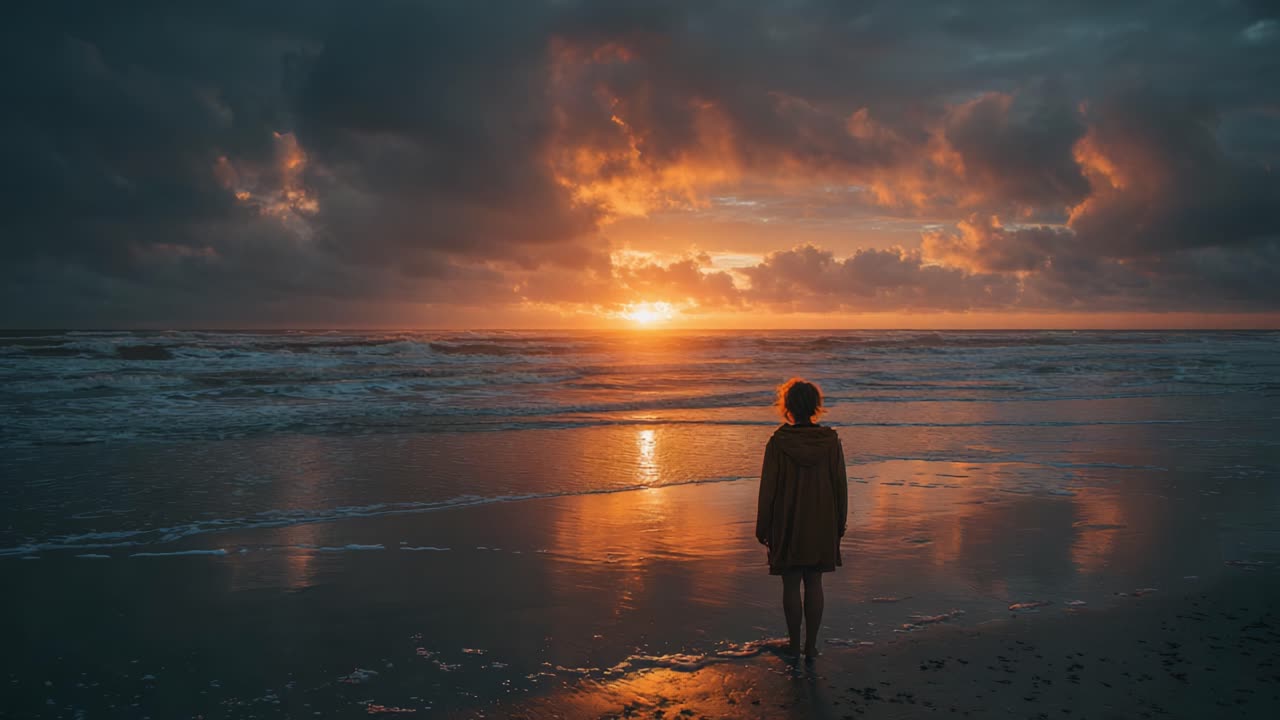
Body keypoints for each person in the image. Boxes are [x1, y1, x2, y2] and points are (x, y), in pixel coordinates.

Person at [755, 378, 848, 659]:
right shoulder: (830, 442)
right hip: (822, 519)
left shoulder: (778, 442)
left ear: (787, 407)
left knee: (791, 583)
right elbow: (839, 485)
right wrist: (839, 523)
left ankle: (794, 645)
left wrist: (763, 524)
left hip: (787, 520)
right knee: (815, 583)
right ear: (816, 407)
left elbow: (768, 488)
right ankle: (811, 647)